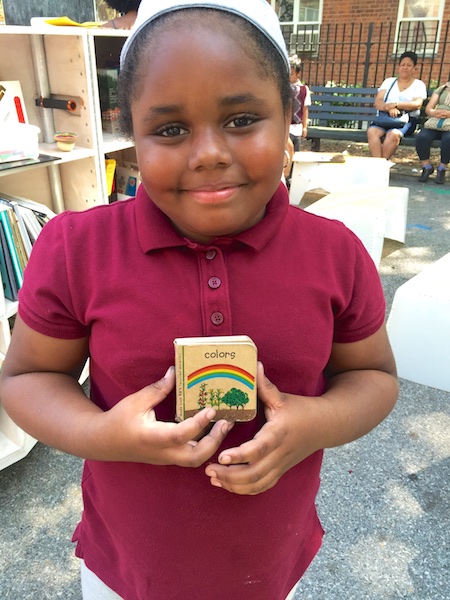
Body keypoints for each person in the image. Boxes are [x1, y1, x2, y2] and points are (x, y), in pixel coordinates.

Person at [0, 1, 399, 599]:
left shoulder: (335, 253)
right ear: (130, 132)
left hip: (269, 564)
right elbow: (27, 378)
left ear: (289, 112)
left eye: (241, 119)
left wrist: (314, 423)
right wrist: (105, 435)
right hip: (126, 572)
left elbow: (373, 377)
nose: (208, 152)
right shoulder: (76, 248)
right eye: (170, 129)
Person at [367, 51, 427, 160]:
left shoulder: (418, 85)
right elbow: (378, 102)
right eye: (403, 65)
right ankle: (380, 166)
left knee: (393, 135)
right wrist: (389, 108)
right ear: (398, 66)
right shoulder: (389, 82)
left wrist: (396, 105)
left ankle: (381, 166)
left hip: (405, 121)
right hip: (385, 118)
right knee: (372, 132)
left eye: (409, 65)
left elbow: (417, 104)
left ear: (414, 68)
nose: (405, 68)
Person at [415, 81, 450, 184]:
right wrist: (433, 112)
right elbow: (429, 107)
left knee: (448, 139)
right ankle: (427, 167)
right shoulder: (443, 88)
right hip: (435, 121)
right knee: (422, 137)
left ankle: (442, 168)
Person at [288, 53, 311, 152]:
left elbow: (305, 109)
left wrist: (304, 127)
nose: (289, 76)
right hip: (285, 128)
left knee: (296, 152)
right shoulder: (284, 88)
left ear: (298, 73)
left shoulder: (304, 89)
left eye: (292, 73)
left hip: (297, 127)